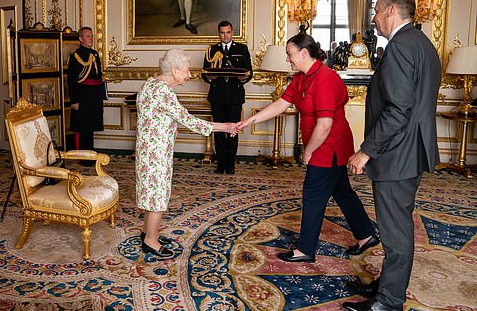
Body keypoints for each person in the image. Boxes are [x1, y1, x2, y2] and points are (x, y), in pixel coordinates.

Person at [343, 0, 441, 311]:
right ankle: (389, 284)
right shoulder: (423, 44)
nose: (373, 19)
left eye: (376, 12)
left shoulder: (399, 47)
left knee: (396, 230)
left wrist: (365, 152)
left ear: (390, 11)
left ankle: (389, 301)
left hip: (397, 154)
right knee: (397, 224)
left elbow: (399, 110)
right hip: (412, 150)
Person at [237, 33, 378, 263]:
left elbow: (325, 125)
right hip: (325, 144)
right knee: (342, 192)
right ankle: (366, 236)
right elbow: (280, 105)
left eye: (290, 54)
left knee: (312, 196)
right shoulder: (302, 78)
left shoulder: (325, 79)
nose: (288, 59)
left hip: (329, 145)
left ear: (304, 53)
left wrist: (308, 151)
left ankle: (305, 249)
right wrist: (249, 121)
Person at [136, 49, 237, 258]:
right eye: (186, 70)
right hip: (156, 153)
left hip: (148, 150)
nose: (189, 75)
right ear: (174, 70)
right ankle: (151, 241)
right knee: (157, 196)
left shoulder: (149, 84)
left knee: (151, 193)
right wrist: (225, 127)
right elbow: (189, 121)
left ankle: (148, 231)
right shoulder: (163, 91)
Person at [202, 21, 253, 174]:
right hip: (217, 96)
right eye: (222, 32)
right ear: (219, 33)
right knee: (218, 131)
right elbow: (205, 73)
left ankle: (230, 165)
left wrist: (244, 79)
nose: (225, 35)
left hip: (234, 96)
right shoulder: (212, 50)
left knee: (232, 131)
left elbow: (249, 72)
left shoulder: (241, 49)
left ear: (232, 32)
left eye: (228, 32)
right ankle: (220, 164)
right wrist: (211, 77)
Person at [67, 26, 104, 158]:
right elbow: (71, 80)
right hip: (82, 96)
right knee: (82, 127)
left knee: (91, 126)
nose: (91, 39)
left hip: (94, 96)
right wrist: (74, 100)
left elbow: (98, 77)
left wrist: (101, 96)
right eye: (88, 36)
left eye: (92, 36)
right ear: (80, 39)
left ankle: (90, 154)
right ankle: (82, 156)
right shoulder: (75, 56)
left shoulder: (94, 54)